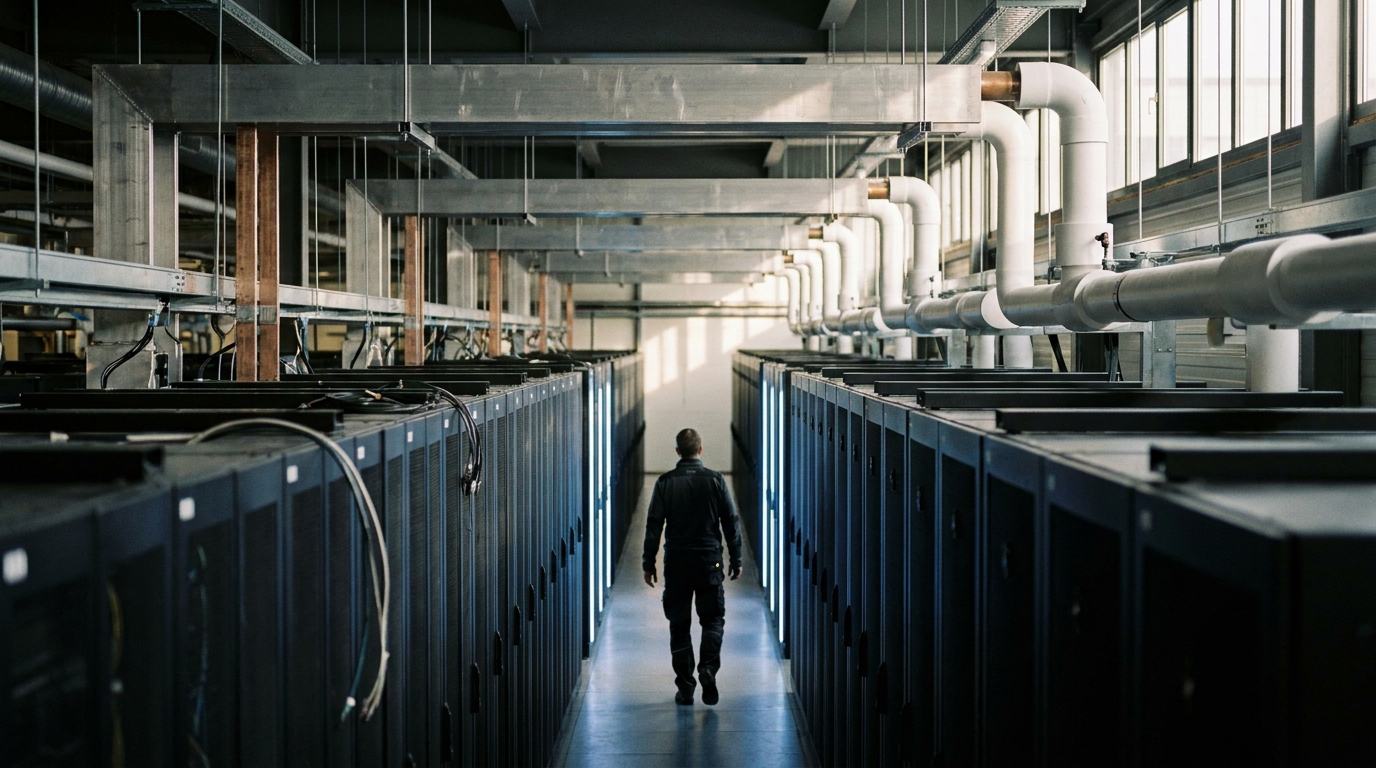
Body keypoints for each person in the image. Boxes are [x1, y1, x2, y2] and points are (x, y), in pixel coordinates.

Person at [642, 428, 744, 706]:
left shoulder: (665, 482)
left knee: (679, 625)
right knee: (712, 620)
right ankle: (708, 669)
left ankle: (686, 687)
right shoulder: (716, 480)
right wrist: (736, 559)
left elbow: (654, 526)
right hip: (708, 561)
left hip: (676, 562)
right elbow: (730, 522)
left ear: (678, 451)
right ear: (700, 450)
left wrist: (648, 563)